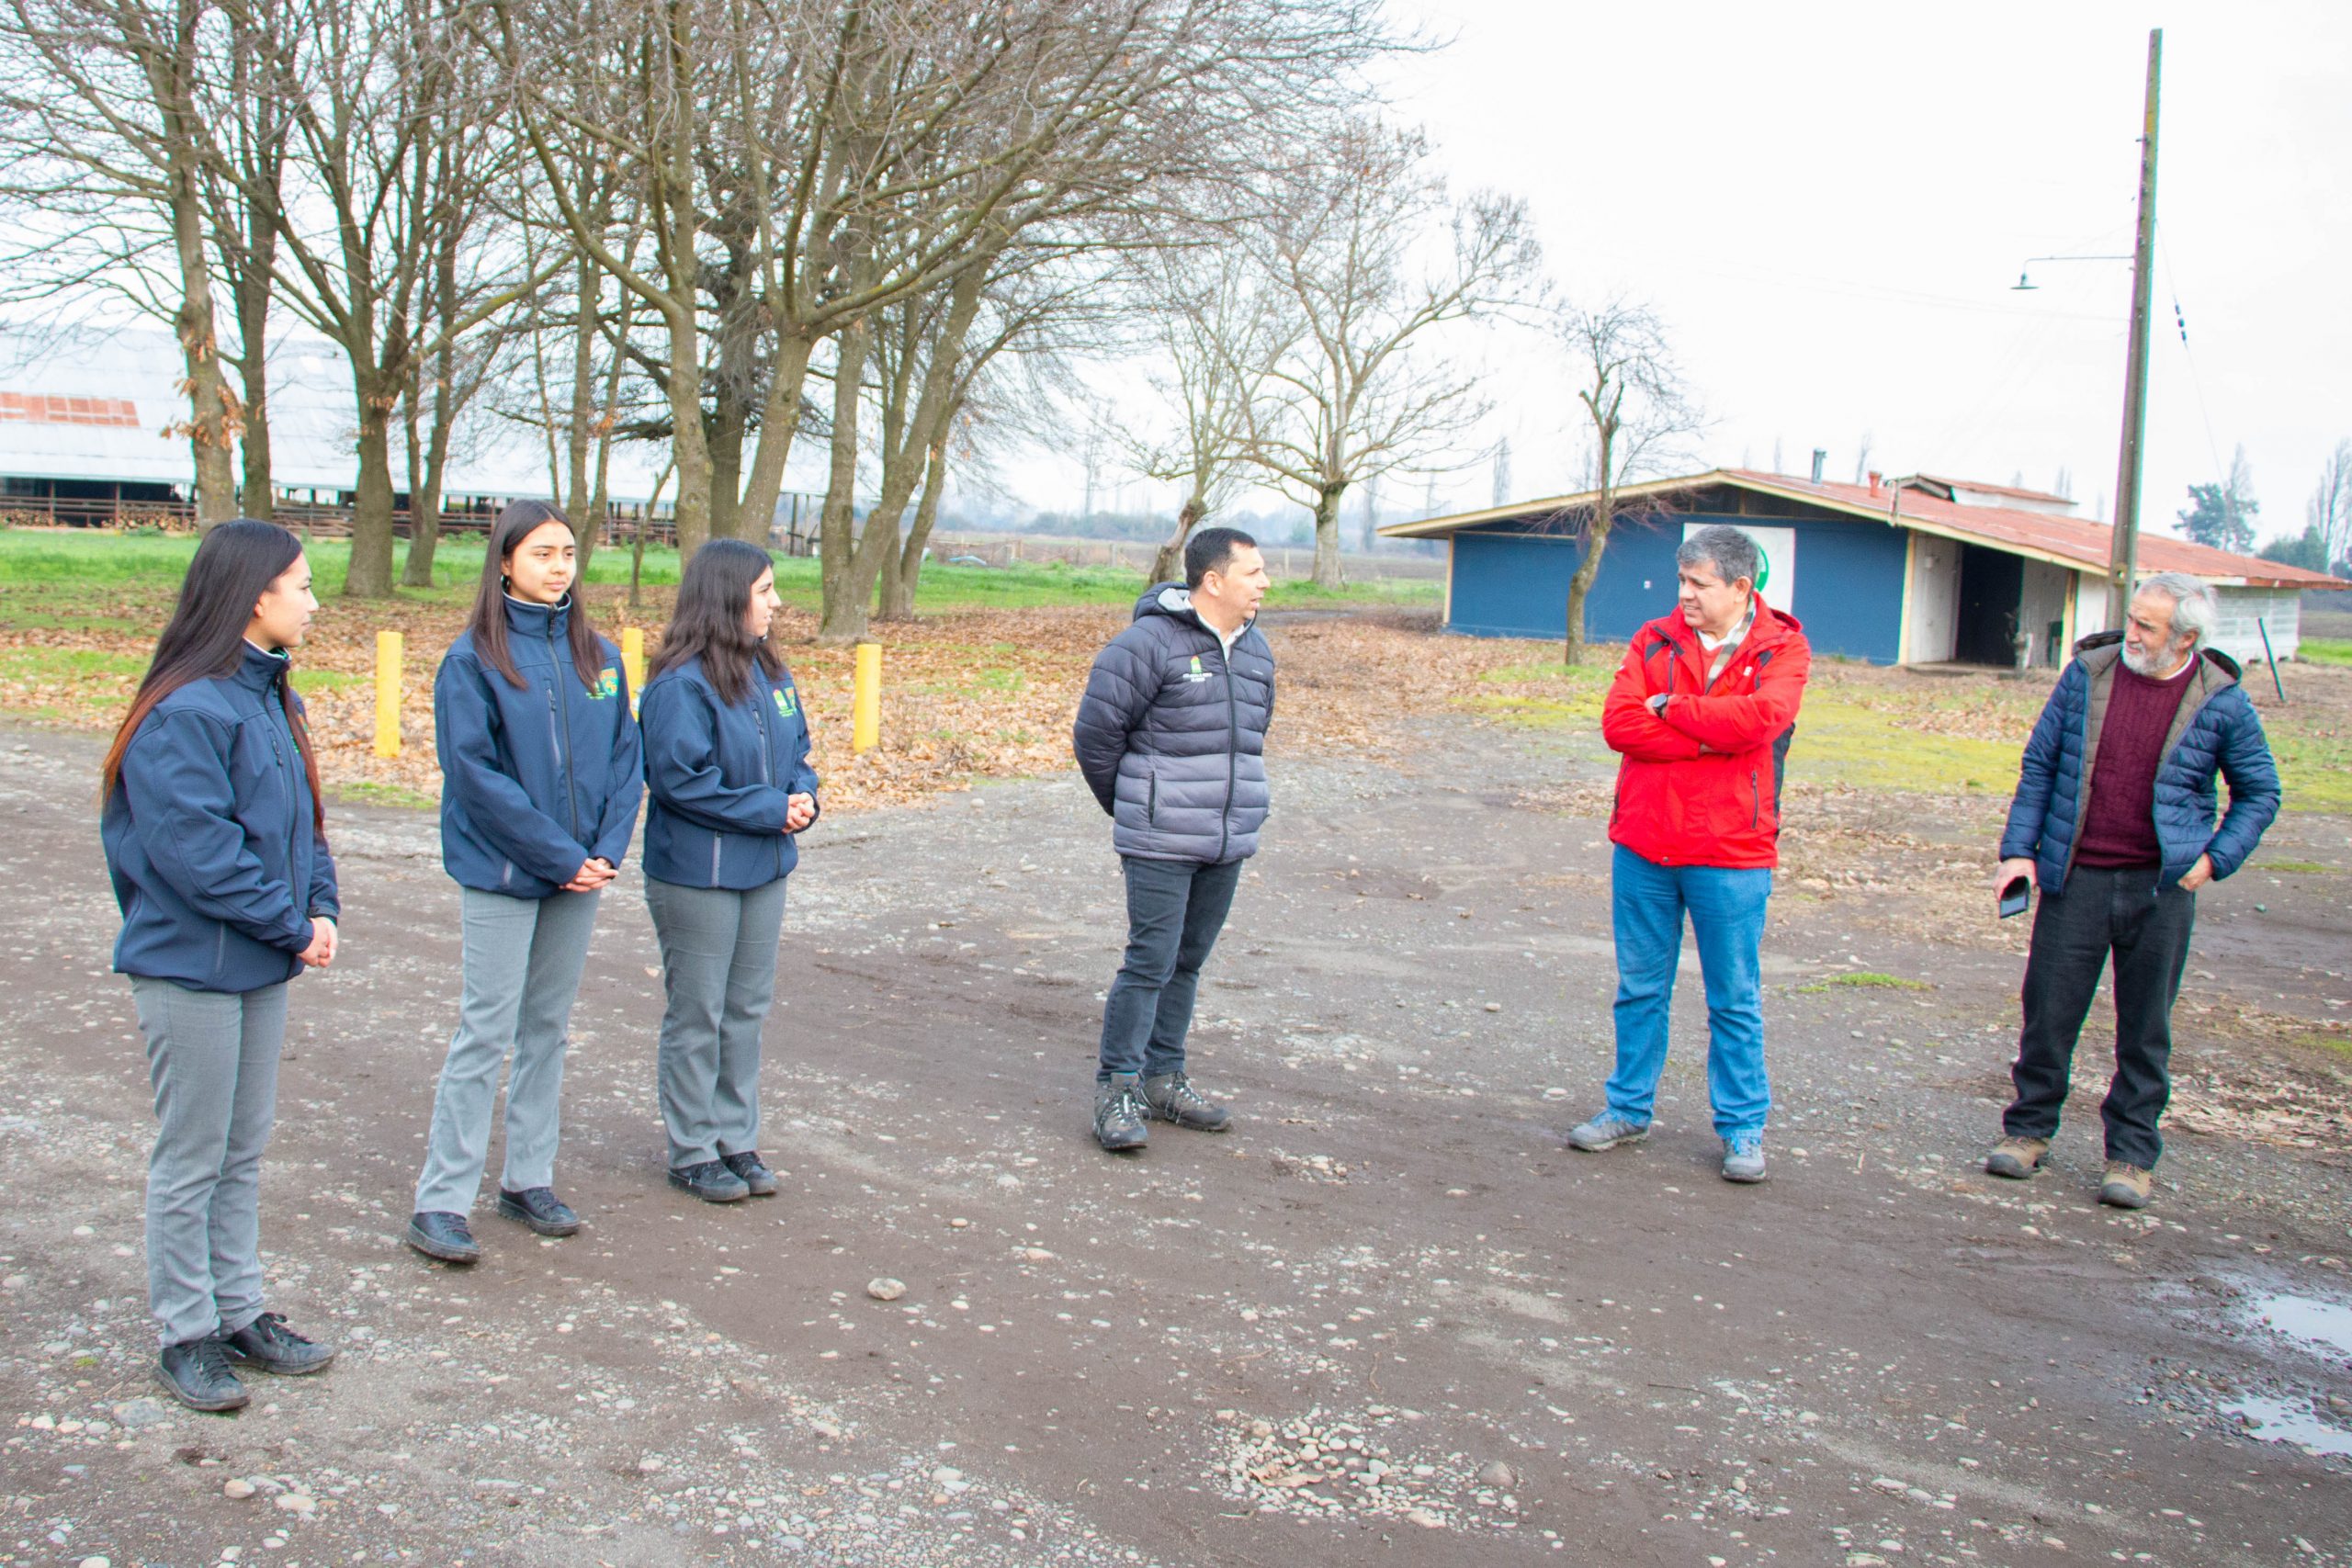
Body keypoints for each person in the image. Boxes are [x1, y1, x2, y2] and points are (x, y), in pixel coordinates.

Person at [100, 519, 341, 1412]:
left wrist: (321, 907)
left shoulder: (273, 698)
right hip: (189, 968)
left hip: (261, 958)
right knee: (193, 1154)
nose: (314, 603)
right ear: (254, 597)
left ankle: (239, 1312)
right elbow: (199, 854)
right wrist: (293, 924)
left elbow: (305, 823)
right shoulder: (184, 711)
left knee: (242, 1148)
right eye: (304, 586)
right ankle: (184, 1333)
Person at [1986, 571, 2279, 1209]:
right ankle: (2028, 1130)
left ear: (2187, 639)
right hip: (2076, 878)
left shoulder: (2221, 698)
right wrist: (2018, 852)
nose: (2133, 633)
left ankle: (2131, 1154)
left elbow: (2260, 792)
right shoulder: (2087, 675)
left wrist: (2216, 859)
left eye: (2147, 626)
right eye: (2134, 617)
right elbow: (2041, 764)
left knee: (2145, 1028)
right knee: (2049, 1013)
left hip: (2161, 887)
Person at [405, 502, 644, 1264]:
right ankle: (441, 1198)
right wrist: (557, 854)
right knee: (486, 1028)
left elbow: (623, 761)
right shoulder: (472, 660)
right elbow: (475, 777)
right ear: (505, 561)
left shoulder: (600, 655)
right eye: (543, 553)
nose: (560, 566)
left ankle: (527, 1177)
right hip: (507, 873)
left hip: (581, 874)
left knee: (548, 1027)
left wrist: (602, 850)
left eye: (568, 553)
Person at [1567, 524, 1810, 1184]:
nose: (1685, 595)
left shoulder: (1783, 648)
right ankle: (1627, 1107)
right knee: (1640, 987)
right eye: (1682, 581)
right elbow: (1620, 723)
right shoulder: (1653, 637)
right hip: (1646, 846)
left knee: (1734, 997)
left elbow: (1762, 721)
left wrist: (1672, 708)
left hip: (1732, 853)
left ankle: (1742, 1129)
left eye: (1697, 584)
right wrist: (1710, 736)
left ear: (1740, 586)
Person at [1071, 525, 1273, 1152]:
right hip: (1159, 840)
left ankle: (1163, 1076)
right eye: (1253, 572)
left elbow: (1251, 736)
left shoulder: (1258, 650)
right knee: (1150, 960)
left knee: (1187, 961)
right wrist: (1138, 805)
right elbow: (1095, 737)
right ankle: (1117, 1087)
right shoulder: (1144, 645)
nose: (1265, 582)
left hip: (1225, 838)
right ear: (1213, 580)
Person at [638, 539, 818, 1203]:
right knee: (699, 1011)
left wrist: (803, 795)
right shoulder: (679, 685)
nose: (776, 601)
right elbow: (682, 782)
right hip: (699, 874)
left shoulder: (771, 673)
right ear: (727, 595)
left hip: (765, 866)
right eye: (765, 589)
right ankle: (691, 1147)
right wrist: (773, 806)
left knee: (746, 1008)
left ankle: (735, 1137)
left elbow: (799, 750)